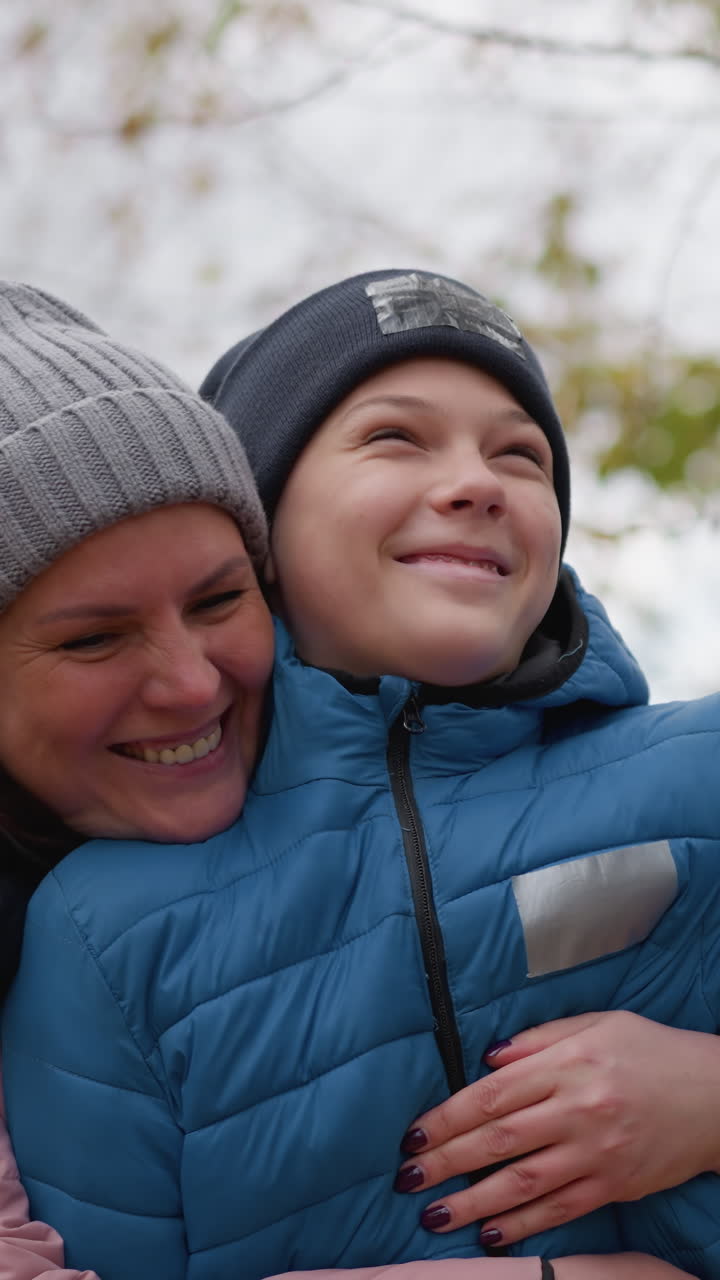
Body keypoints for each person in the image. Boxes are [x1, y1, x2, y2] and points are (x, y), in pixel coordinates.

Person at [3, 272, 717, 1280]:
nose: (479, 481)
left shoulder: (699, 770)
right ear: (266, 524)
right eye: (396, 437)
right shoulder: (99, 921)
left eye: (522, 453)